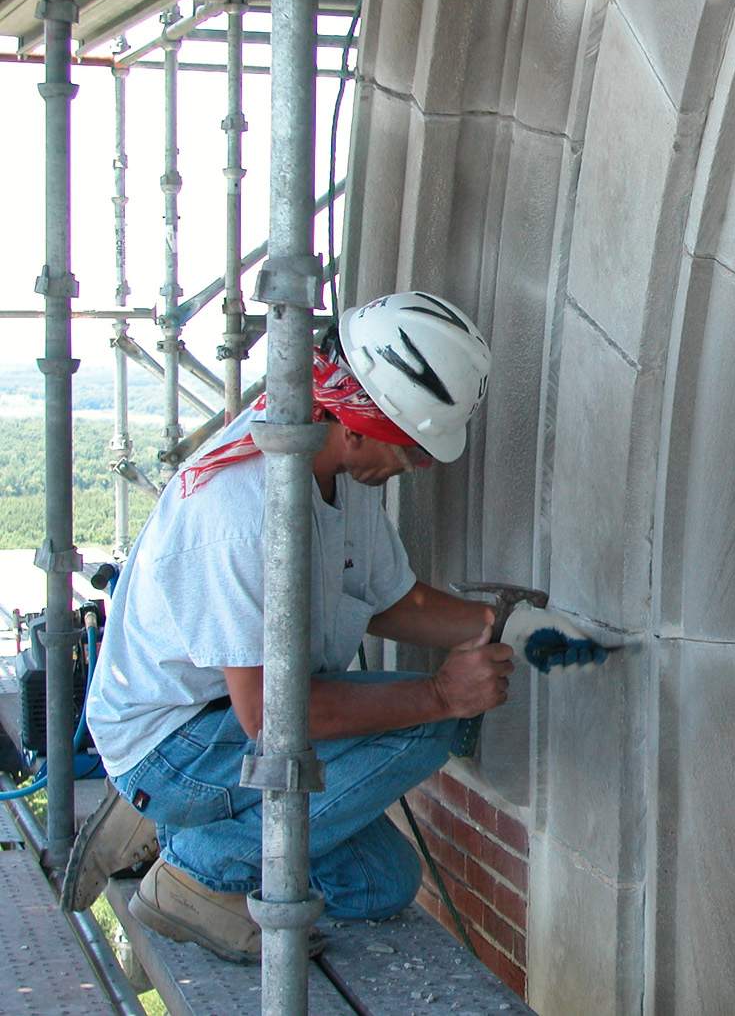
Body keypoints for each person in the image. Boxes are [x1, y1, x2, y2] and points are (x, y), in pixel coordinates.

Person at [62, 290, 515, 964]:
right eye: (415, 450)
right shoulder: (243, 509)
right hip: (175, 736)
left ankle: (208, 826)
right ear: (362, 424)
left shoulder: (336, 468)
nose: (416, 468)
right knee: (425, 729)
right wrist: (444, 696)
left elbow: (388, 596)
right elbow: (272, 718)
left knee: (380, 885)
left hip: (230, 717)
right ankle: (194, 872)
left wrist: (496, 624)